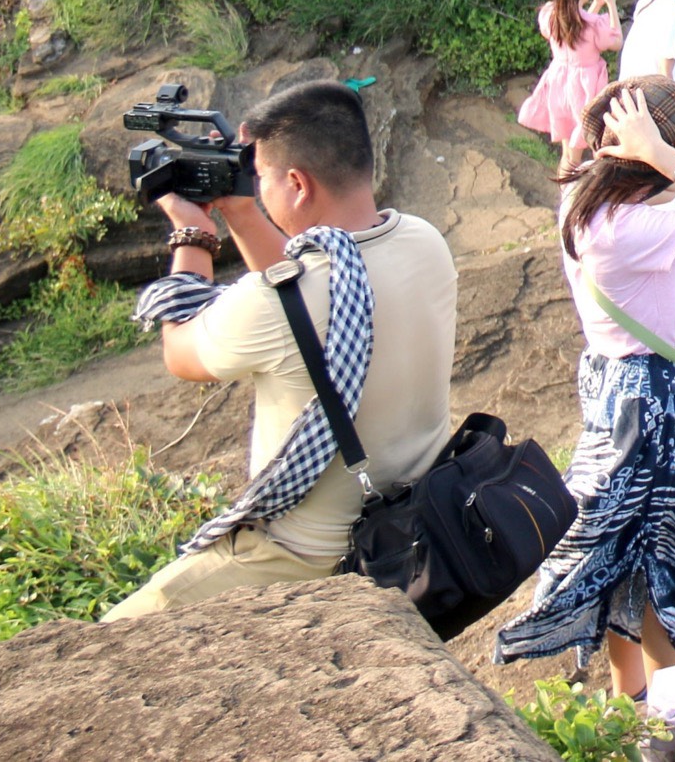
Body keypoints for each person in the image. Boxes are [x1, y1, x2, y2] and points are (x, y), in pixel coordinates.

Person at [106, 81, 458, 619]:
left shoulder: (268, 305)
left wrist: (193, 237)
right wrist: (244, 215)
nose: (256, 185)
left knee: (114, 634)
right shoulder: (424, 241)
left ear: (296, 183)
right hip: (406, 524)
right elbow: (300, 294)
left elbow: (180, 350)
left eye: (261, 176)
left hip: (302, 555)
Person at [494, 76, 675, 697]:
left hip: (617, 392)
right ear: (646, 165)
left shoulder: (586, 205)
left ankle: (632, 697)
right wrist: (663, 152)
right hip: (658, 407)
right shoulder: (628, 231)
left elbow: (582, 159)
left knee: (625, 552)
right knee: (667, 558)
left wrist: (635, 148)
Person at [521, 0, 623, 171]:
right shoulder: (593, 23)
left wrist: (595, 5)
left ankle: (564, 200)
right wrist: (610, 4)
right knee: (576, 157)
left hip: (559, 86)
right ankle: (570, 200)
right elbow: (616, 42)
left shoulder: (550, 14)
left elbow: (575, 27)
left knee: (568, 153)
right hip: (583, 91)